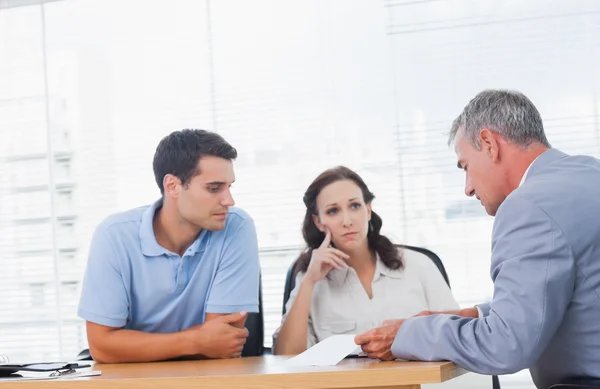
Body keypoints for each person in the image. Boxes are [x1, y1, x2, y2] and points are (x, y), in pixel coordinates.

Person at [355, 89, 600, 389]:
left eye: (465, 166)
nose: (468, 189)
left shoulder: (528, 205)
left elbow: (506, 345)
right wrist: (478, 314)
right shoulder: (590, 172)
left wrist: (406, 334)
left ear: (489, 143)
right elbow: (577, 292)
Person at [77, 129, 260, 363]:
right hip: (131, 387)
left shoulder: (236, 227)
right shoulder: (114, 236)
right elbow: (102, 347)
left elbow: (221, 343)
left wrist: (131, 346)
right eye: (214, 188)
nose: (229, 201)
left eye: (229, 186)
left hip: (206, 383)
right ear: (172, 186)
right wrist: (195, 340)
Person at [273, 166, 459, 355]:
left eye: (355, 206)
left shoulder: (419, 265)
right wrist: (309, 282)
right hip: (348, 385)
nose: (347, 221)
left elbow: (455, 335)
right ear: (318, 222)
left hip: (418, 383)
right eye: (333, 211)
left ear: (368, 210)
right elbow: (286, 356)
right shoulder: (310, 279)